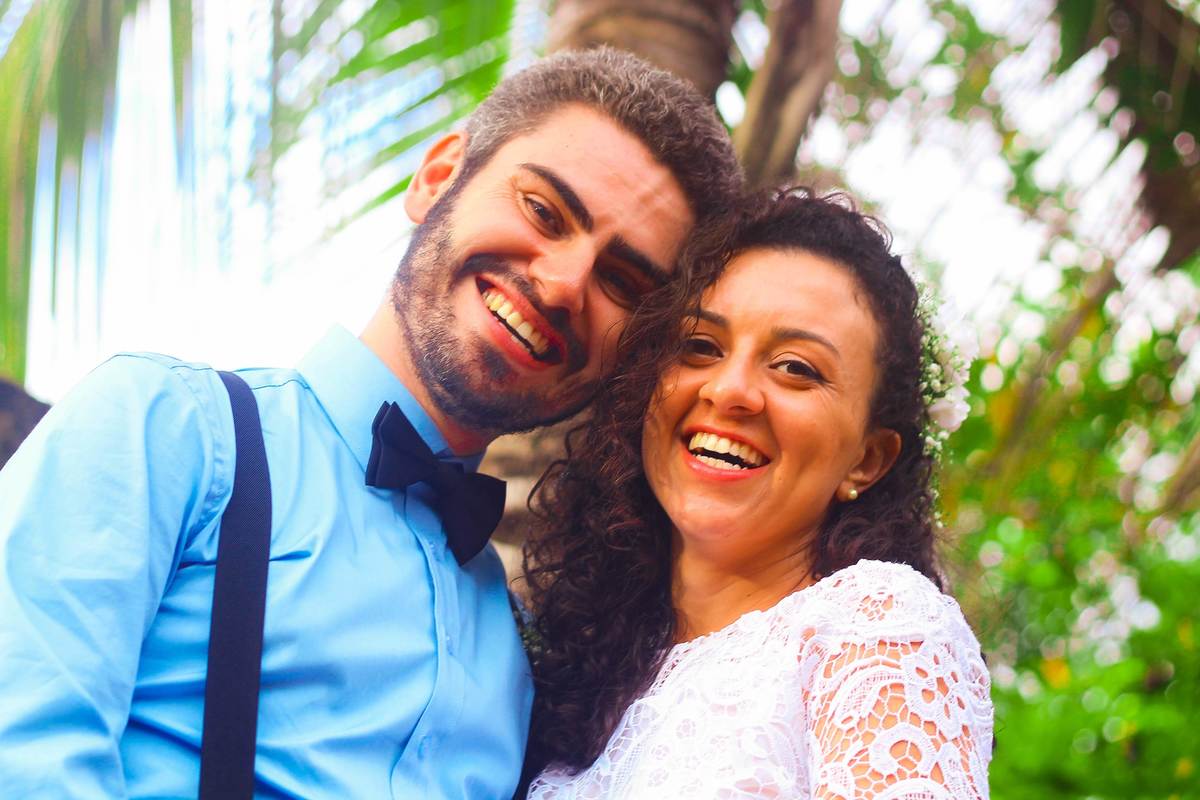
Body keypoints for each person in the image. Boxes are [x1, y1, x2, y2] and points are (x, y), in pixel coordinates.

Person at [0, 48, 742, 798]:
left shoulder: (521, 647)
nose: (560, 284)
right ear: (437, 177)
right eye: (543, 211)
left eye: (621, 281)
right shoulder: (168, 430)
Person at [522, 188, 994, 798]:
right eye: (701, 347)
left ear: (867, 459)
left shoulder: (876, 626)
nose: (729, 390)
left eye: (796, 367)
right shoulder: (587, 664)